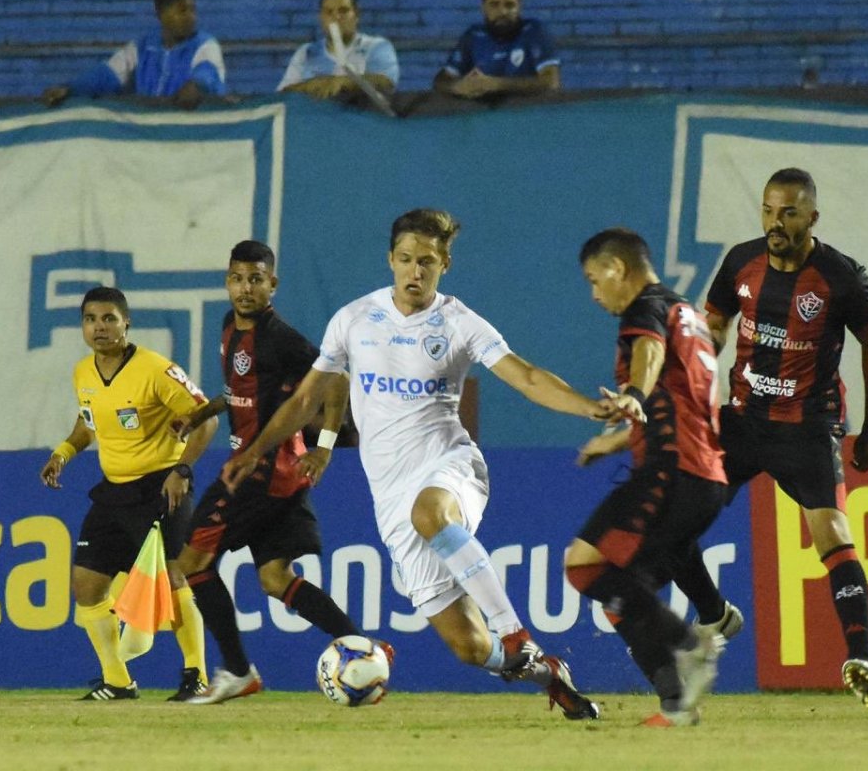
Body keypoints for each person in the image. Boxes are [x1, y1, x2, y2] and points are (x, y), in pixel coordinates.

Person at [220, 208, 645, 720]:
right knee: (469, 646)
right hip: (390, 497)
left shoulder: (459, 323)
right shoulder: (354, 320)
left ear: (445, 264)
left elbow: (528, 377)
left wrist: (590, 408)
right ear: (390, 260)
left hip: (450, 466)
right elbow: (306, 399)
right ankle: (547, 675)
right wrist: (256, 451)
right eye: (405, 259)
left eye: (426, 261)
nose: (414, 271)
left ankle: (517, 633)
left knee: (431, 514)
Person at [702, 168, 868, 708]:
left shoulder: (841, 277)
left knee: (832, 533)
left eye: (788, 212)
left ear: (812, 217)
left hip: (807, 427)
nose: (775, 222)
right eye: (768, 210)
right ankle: (712, 615)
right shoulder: (740, 262)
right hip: (742, 421)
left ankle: (861, 657)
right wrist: (697, 371)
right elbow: (714, 322)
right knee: (676, 509)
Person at [170, 241, 371, 705]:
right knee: (275, 578)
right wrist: (200, 416)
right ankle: (361, 649)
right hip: (274, 474)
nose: (246, 288)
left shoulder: (282, 338)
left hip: (259, 472)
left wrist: (324, 449)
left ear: (272, 284)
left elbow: (337, 379)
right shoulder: (230, 326)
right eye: (238, 279)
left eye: (256, 279)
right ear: (227, 282)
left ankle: (238, 671)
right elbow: (242, 392)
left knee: (191, 564)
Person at [566, 228, 729, 727]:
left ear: (617, 267)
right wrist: (618, 440)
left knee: (583, 567)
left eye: (594, 280)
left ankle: (691, 645)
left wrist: (633, 394)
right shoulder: (689, 316)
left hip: (671, 472)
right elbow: (684, 402)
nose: (594, 294)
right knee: (622, 594)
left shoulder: (646, 309)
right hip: (704, 477)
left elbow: (649, 356)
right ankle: (677, 705)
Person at [39, 286, 218, 701]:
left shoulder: (156, 370)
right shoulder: (83, 372)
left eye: (108, 319)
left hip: (160, 487)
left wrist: (182, 470)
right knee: (86, 584)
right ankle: (118, 681)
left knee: (174, 578)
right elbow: (89, 422)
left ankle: (196, 675)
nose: (99, 328)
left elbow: (206, 418)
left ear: (126, 323)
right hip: (114, 491)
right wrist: (63, 452)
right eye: (90, 319)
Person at [41, 0, 225, 111]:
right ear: (160, 14)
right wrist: (71, 89)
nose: (191, 17)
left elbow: (208, 73)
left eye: (193, 10)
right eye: (182, 10)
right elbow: (107, 74)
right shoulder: (142, 47)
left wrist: (197, 85)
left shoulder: (205, 44)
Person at [433, 0, 560, 99]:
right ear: (483, 8)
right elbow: (441, 80)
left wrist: (495, 84)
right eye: (494, 5)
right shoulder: (473, 36)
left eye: (509, 5)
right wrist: (458, 87)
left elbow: (550, 82)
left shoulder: (533, 32)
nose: (502, 12)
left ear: (519, 7)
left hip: (528, 112)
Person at [277, 0, 399, 100]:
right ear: (321, 18)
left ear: (357, 15)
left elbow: (386, 83)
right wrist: (311, 84)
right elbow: (283, 94)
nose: (336, 17)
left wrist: (344, 82)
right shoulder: (306, 52)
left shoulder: (376, 46)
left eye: (343, 11)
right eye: (329, 12)